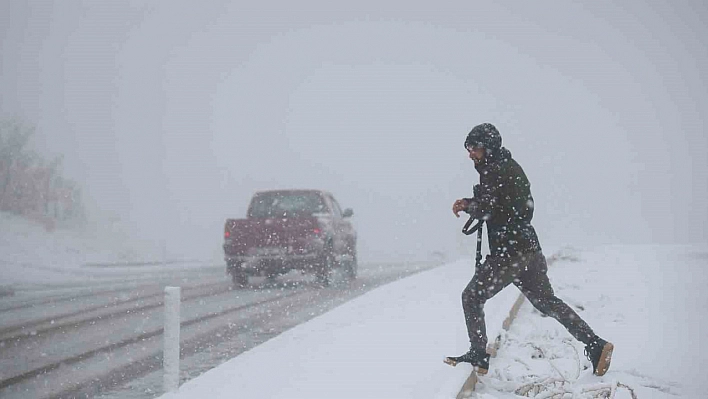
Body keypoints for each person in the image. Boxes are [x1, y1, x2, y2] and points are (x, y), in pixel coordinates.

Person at [447, 123, 614, 376]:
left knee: (471, 297)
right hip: (528, 251)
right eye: (468, 148)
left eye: (474, 148)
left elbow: (492, 209)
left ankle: (479, 354)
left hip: (509, 253)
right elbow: (513, 208)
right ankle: (595, 344)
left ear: (488, 148)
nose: (470, 153)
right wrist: (478, 204)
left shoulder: (496, 170)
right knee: (547, 302)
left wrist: (469, 205)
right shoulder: (509, 168)